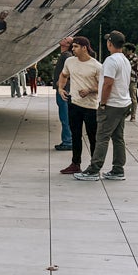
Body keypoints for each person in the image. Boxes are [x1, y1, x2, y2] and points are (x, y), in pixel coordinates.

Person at [76, 30, 130, 182]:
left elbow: (108, 83)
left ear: (109, 43)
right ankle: (118, 169)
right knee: (118, 138)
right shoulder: (125, 60)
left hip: (111, 104)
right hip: (123, 103)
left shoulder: (111, 61)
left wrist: (103, 103)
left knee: (102, 137)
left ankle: (94, 170)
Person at [58, 38, 100, 176]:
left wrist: (89, 90)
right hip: (74, 103)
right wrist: (60, 88)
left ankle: (94, 166)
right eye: (72, 46)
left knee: (92, 136)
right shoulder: (69, 61)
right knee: (75, 135)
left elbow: (103, 85)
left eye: (76, 46)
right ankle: (75, 163)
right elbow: (64, 75)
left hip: (91, 106)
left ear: (84, 48)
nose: (73, 49)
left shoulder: (96, 66)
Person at [51, 38, 75, 154]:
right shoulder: (65, 55)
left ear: (68, 44)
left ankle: (68, 141)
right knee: (64, 116)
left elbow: (70, 72)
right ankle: (66, 140)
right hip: (64, 89)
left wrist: (61, 83)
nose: (63, 39)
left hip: (63, 91)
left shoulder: (66, 56)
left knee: (64, 116)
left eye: (66, 39)